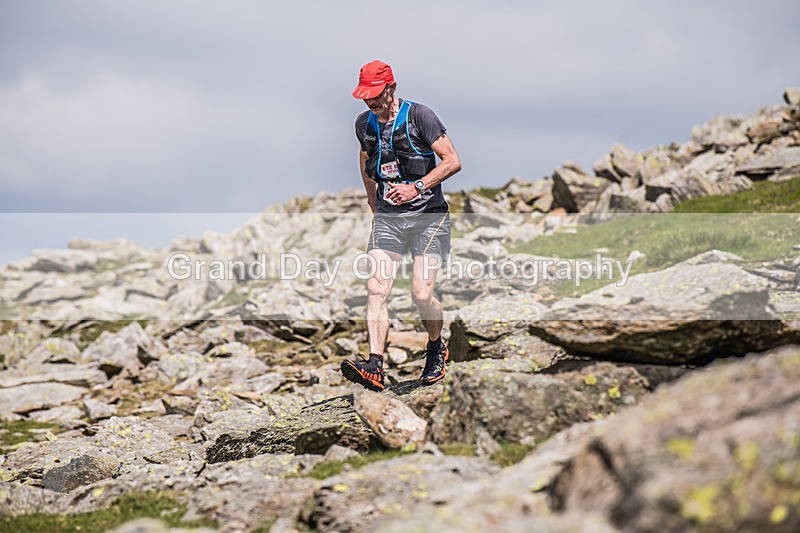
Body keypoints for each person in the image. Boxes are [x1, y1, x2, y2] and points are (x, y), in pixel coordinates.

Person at [341, 60, 462, 392]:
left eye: (376, 96)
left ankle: (436, 345)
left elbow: (452, 161)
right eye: (365, 97)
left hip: (428, 217)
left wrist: (416, 187)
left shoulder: (420, 116)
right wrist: (371, 201)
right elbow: (366, 159)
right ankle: (375, 365)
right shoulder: (364, 123)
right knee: (377, 288)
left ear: (391, 88)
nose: (371, 103)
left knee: (421, 294)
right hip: (389, 219)